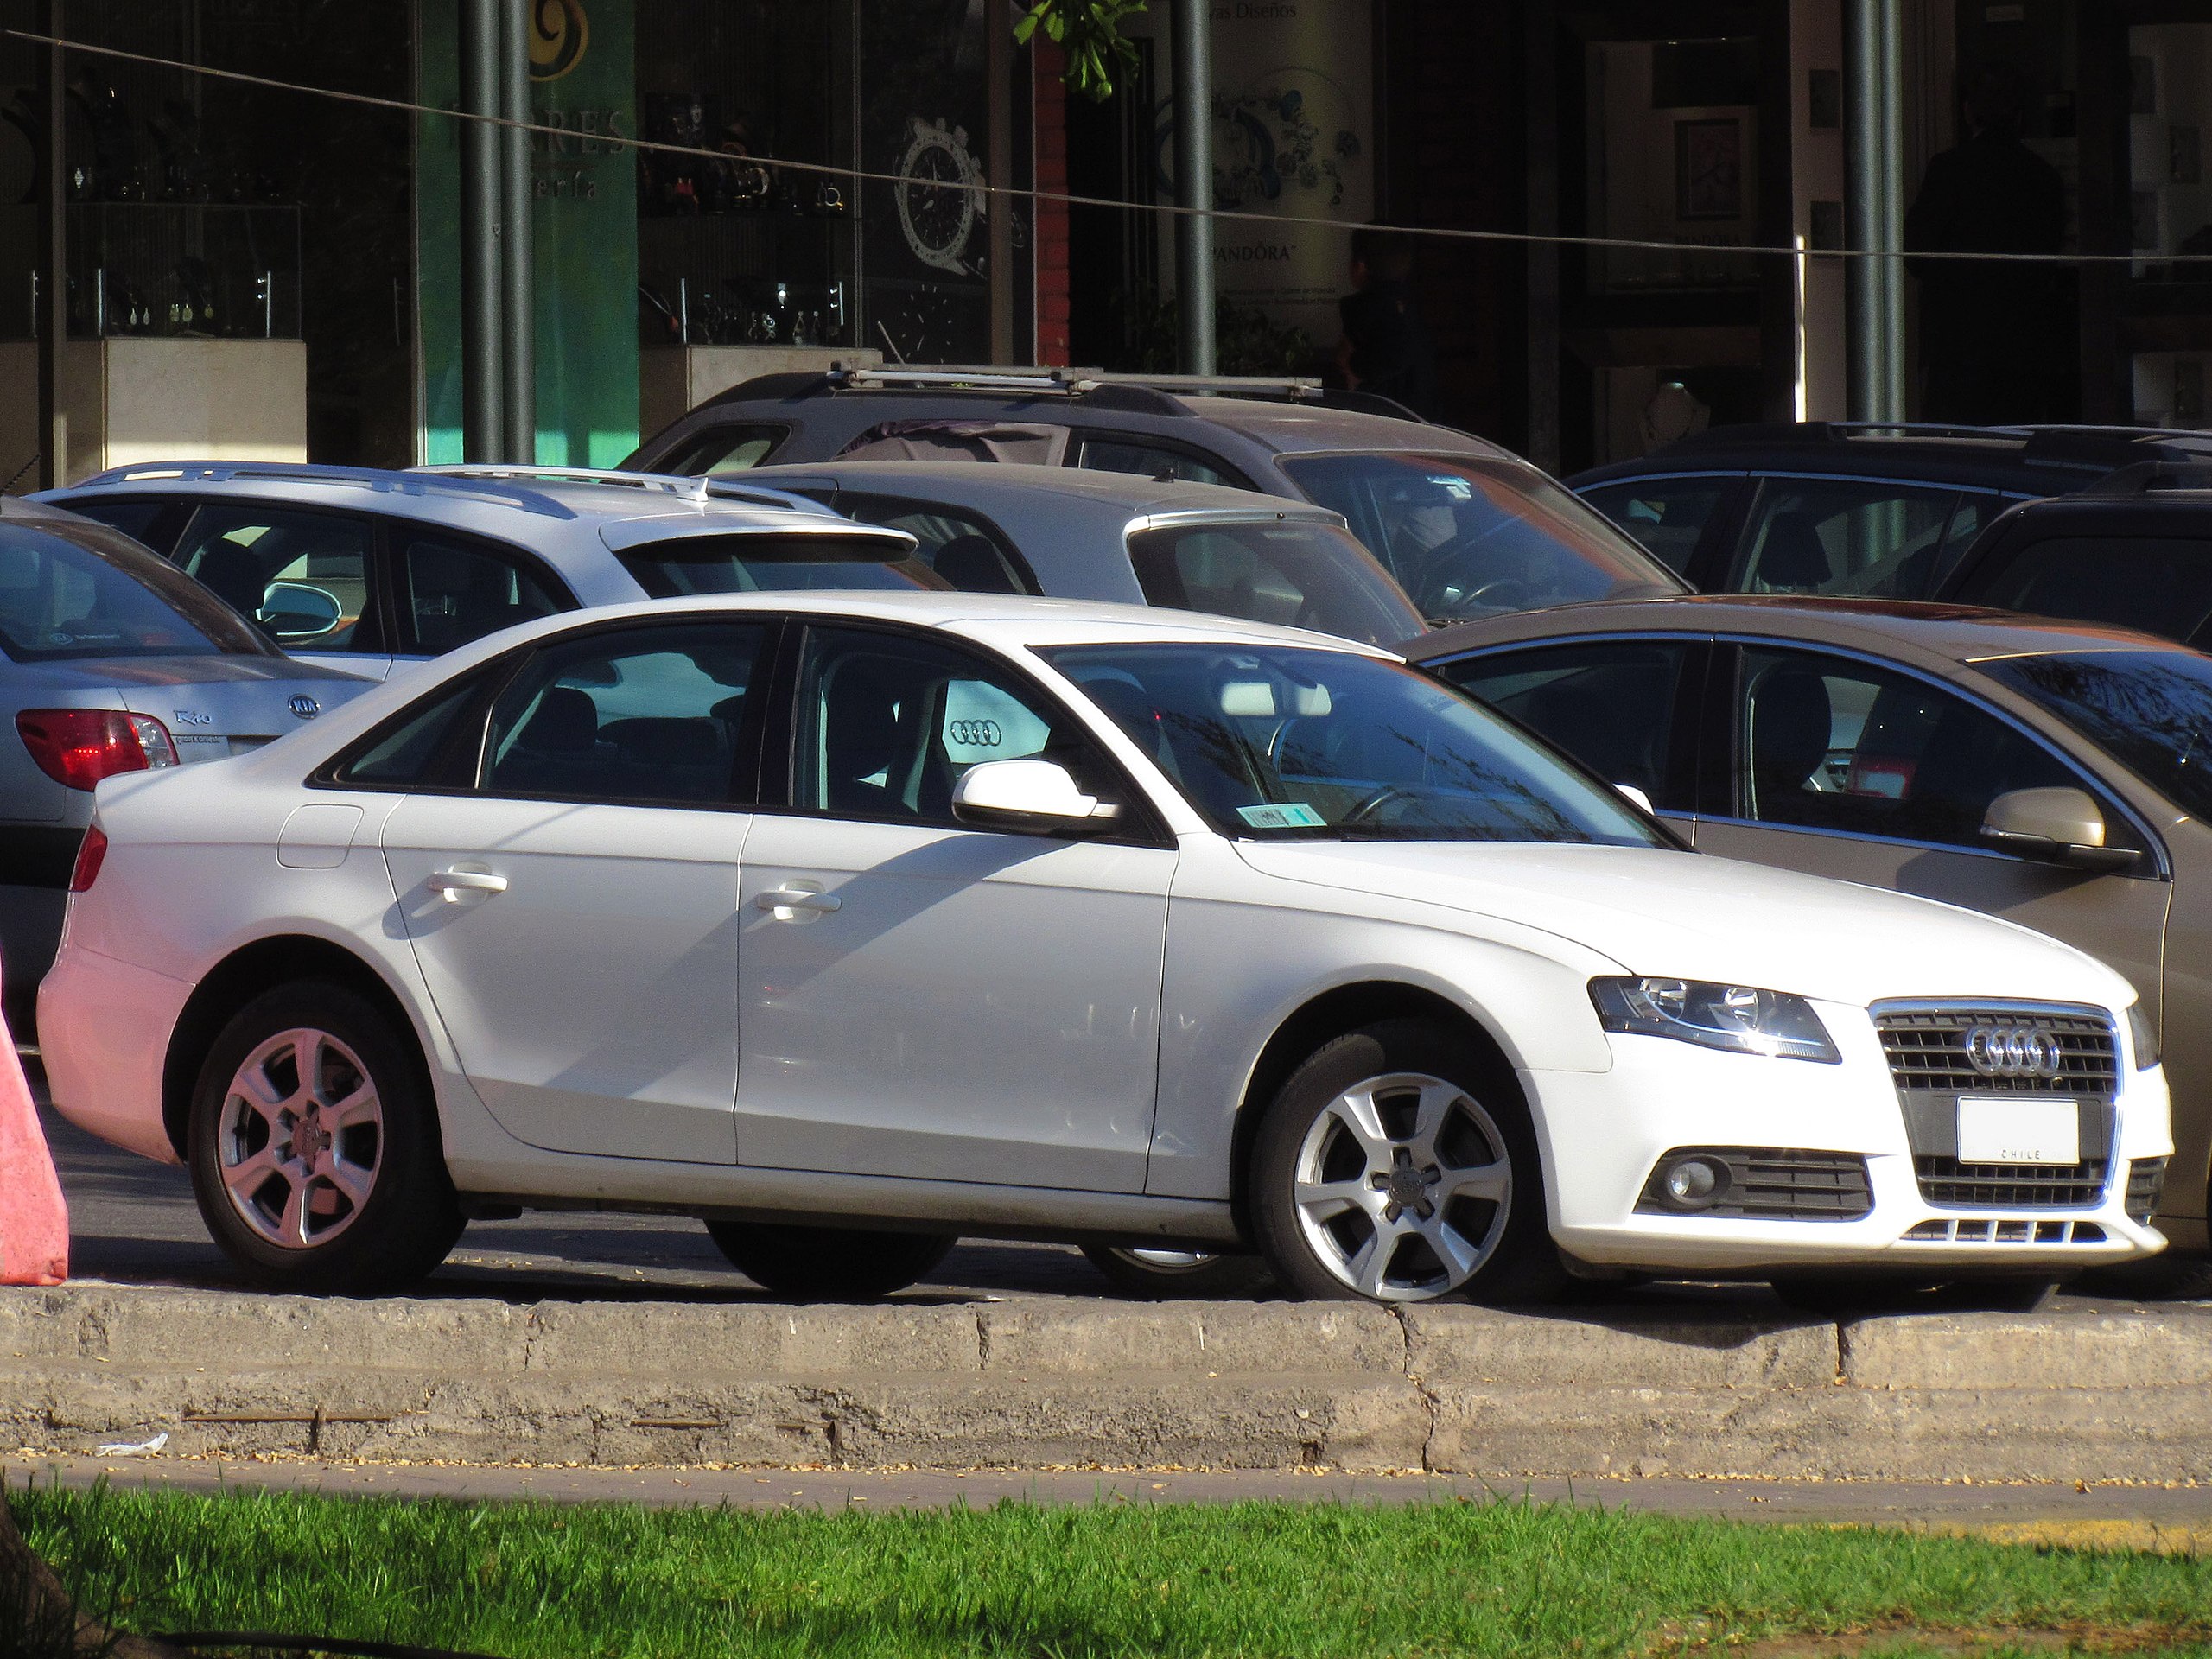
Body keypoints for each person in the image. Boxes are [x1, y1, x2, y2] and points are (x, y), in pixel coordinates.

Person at [1904, 65, 2070, 423]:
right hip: (2023, 347)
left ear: (1967, 112)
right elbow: (2049, 260)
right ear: (2021, 117)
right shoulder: (2043, 178)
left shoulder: (1948, 170)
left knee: (1955, 458)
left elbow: (1915, 255)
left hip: (1957, 349)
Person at [1334, 226, 1437, 417]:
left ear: (1360, 266)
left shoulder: (1366, 309)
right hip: (1417, 414)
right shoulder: (1410, 304)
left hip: (1382, 416)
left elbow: (1391, 357)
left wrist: (1354, 364)